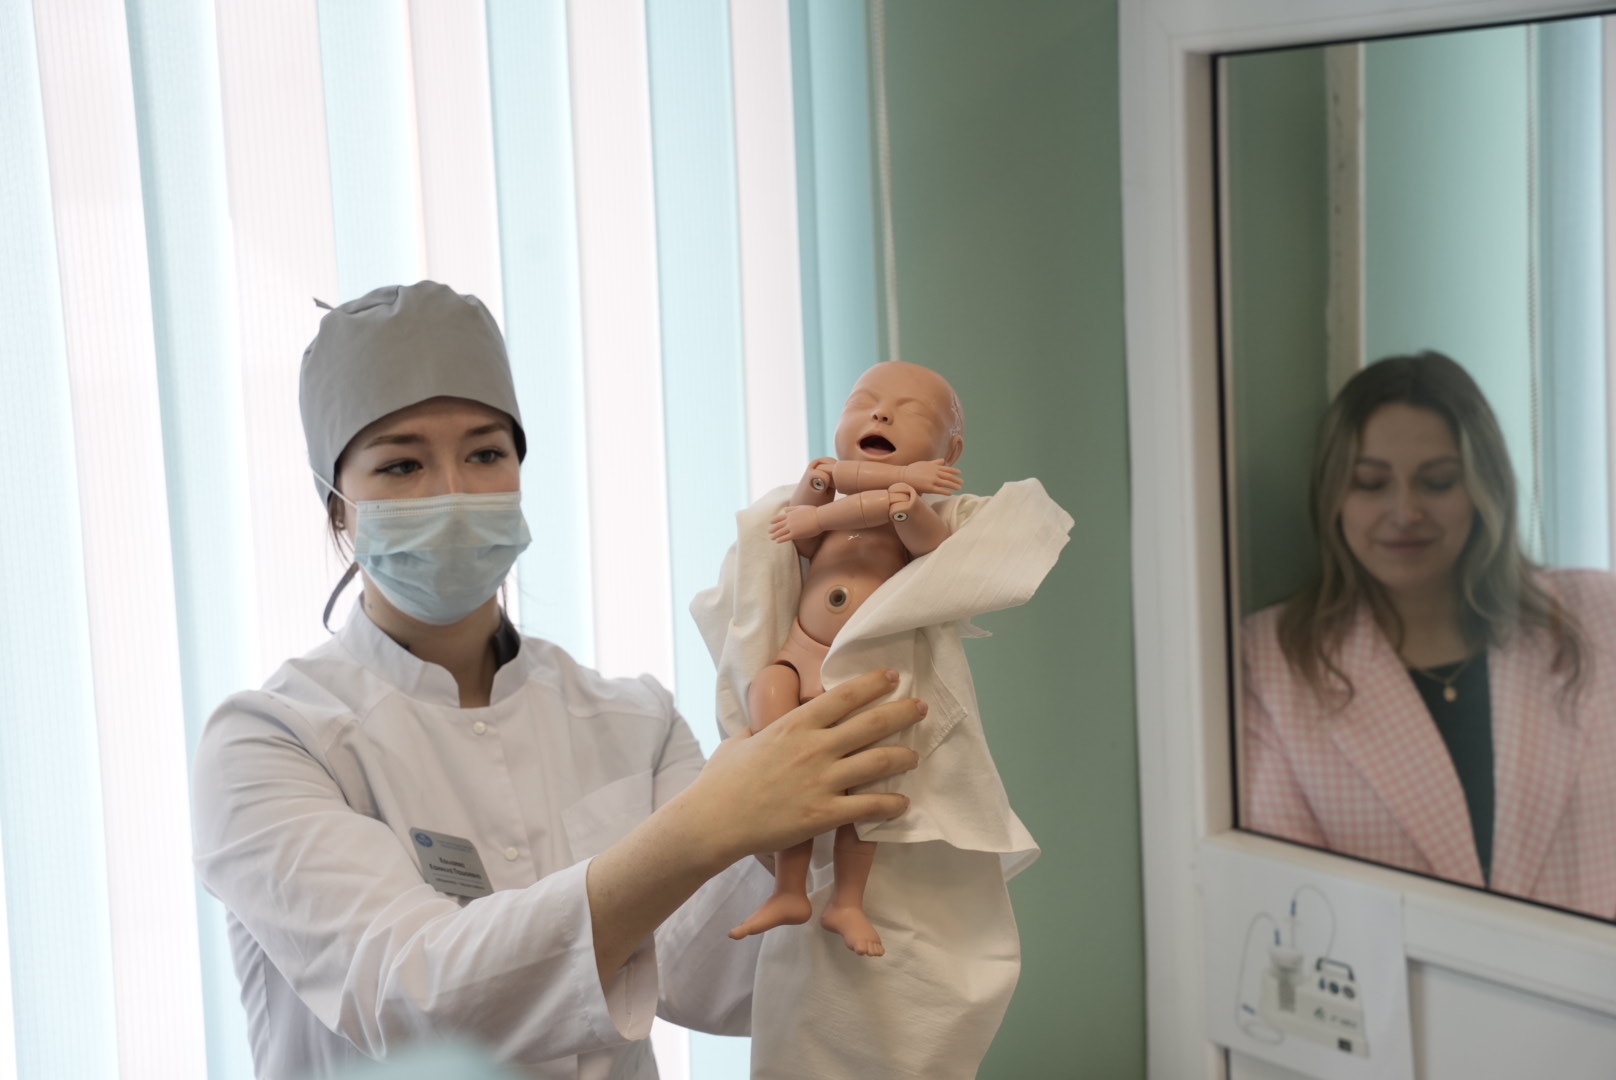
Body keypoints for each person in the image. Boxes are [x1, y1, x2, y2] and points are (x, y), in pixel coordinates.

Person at [189, 281, 928, 1078]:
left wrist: (804, 810)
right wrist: (705, 827)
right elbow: (411, 1001)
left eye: (485, 454)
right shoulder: (270, 741)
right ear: (338, 507)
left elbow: (720, 976)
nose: (454, 492)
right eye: (401, 464)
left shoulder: (631, 720)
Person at [1242, 351, 1616, 919]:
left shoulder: (1596, 614)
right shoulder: (1273, 660)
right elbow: (1290, 907)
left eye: (1438, 482)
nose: (1406, 512)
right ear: (1333, 497)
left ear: (1485, 489)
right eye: (1370, 483)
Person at [727, 361, 966, 956]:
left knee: (864, 782)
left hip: (862, 672)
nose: (880, 414)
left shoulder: (909, 510)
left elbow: (931, 550)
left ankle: (847, 901)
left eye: (913, 413)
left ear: (950, 450)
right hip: (801, 652)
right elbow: (804, 538)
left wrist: (907, 505)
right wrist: (815, 487)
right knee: (772, 709)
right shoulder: (833, 493)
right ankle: (789, 887)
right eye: (863, 403)